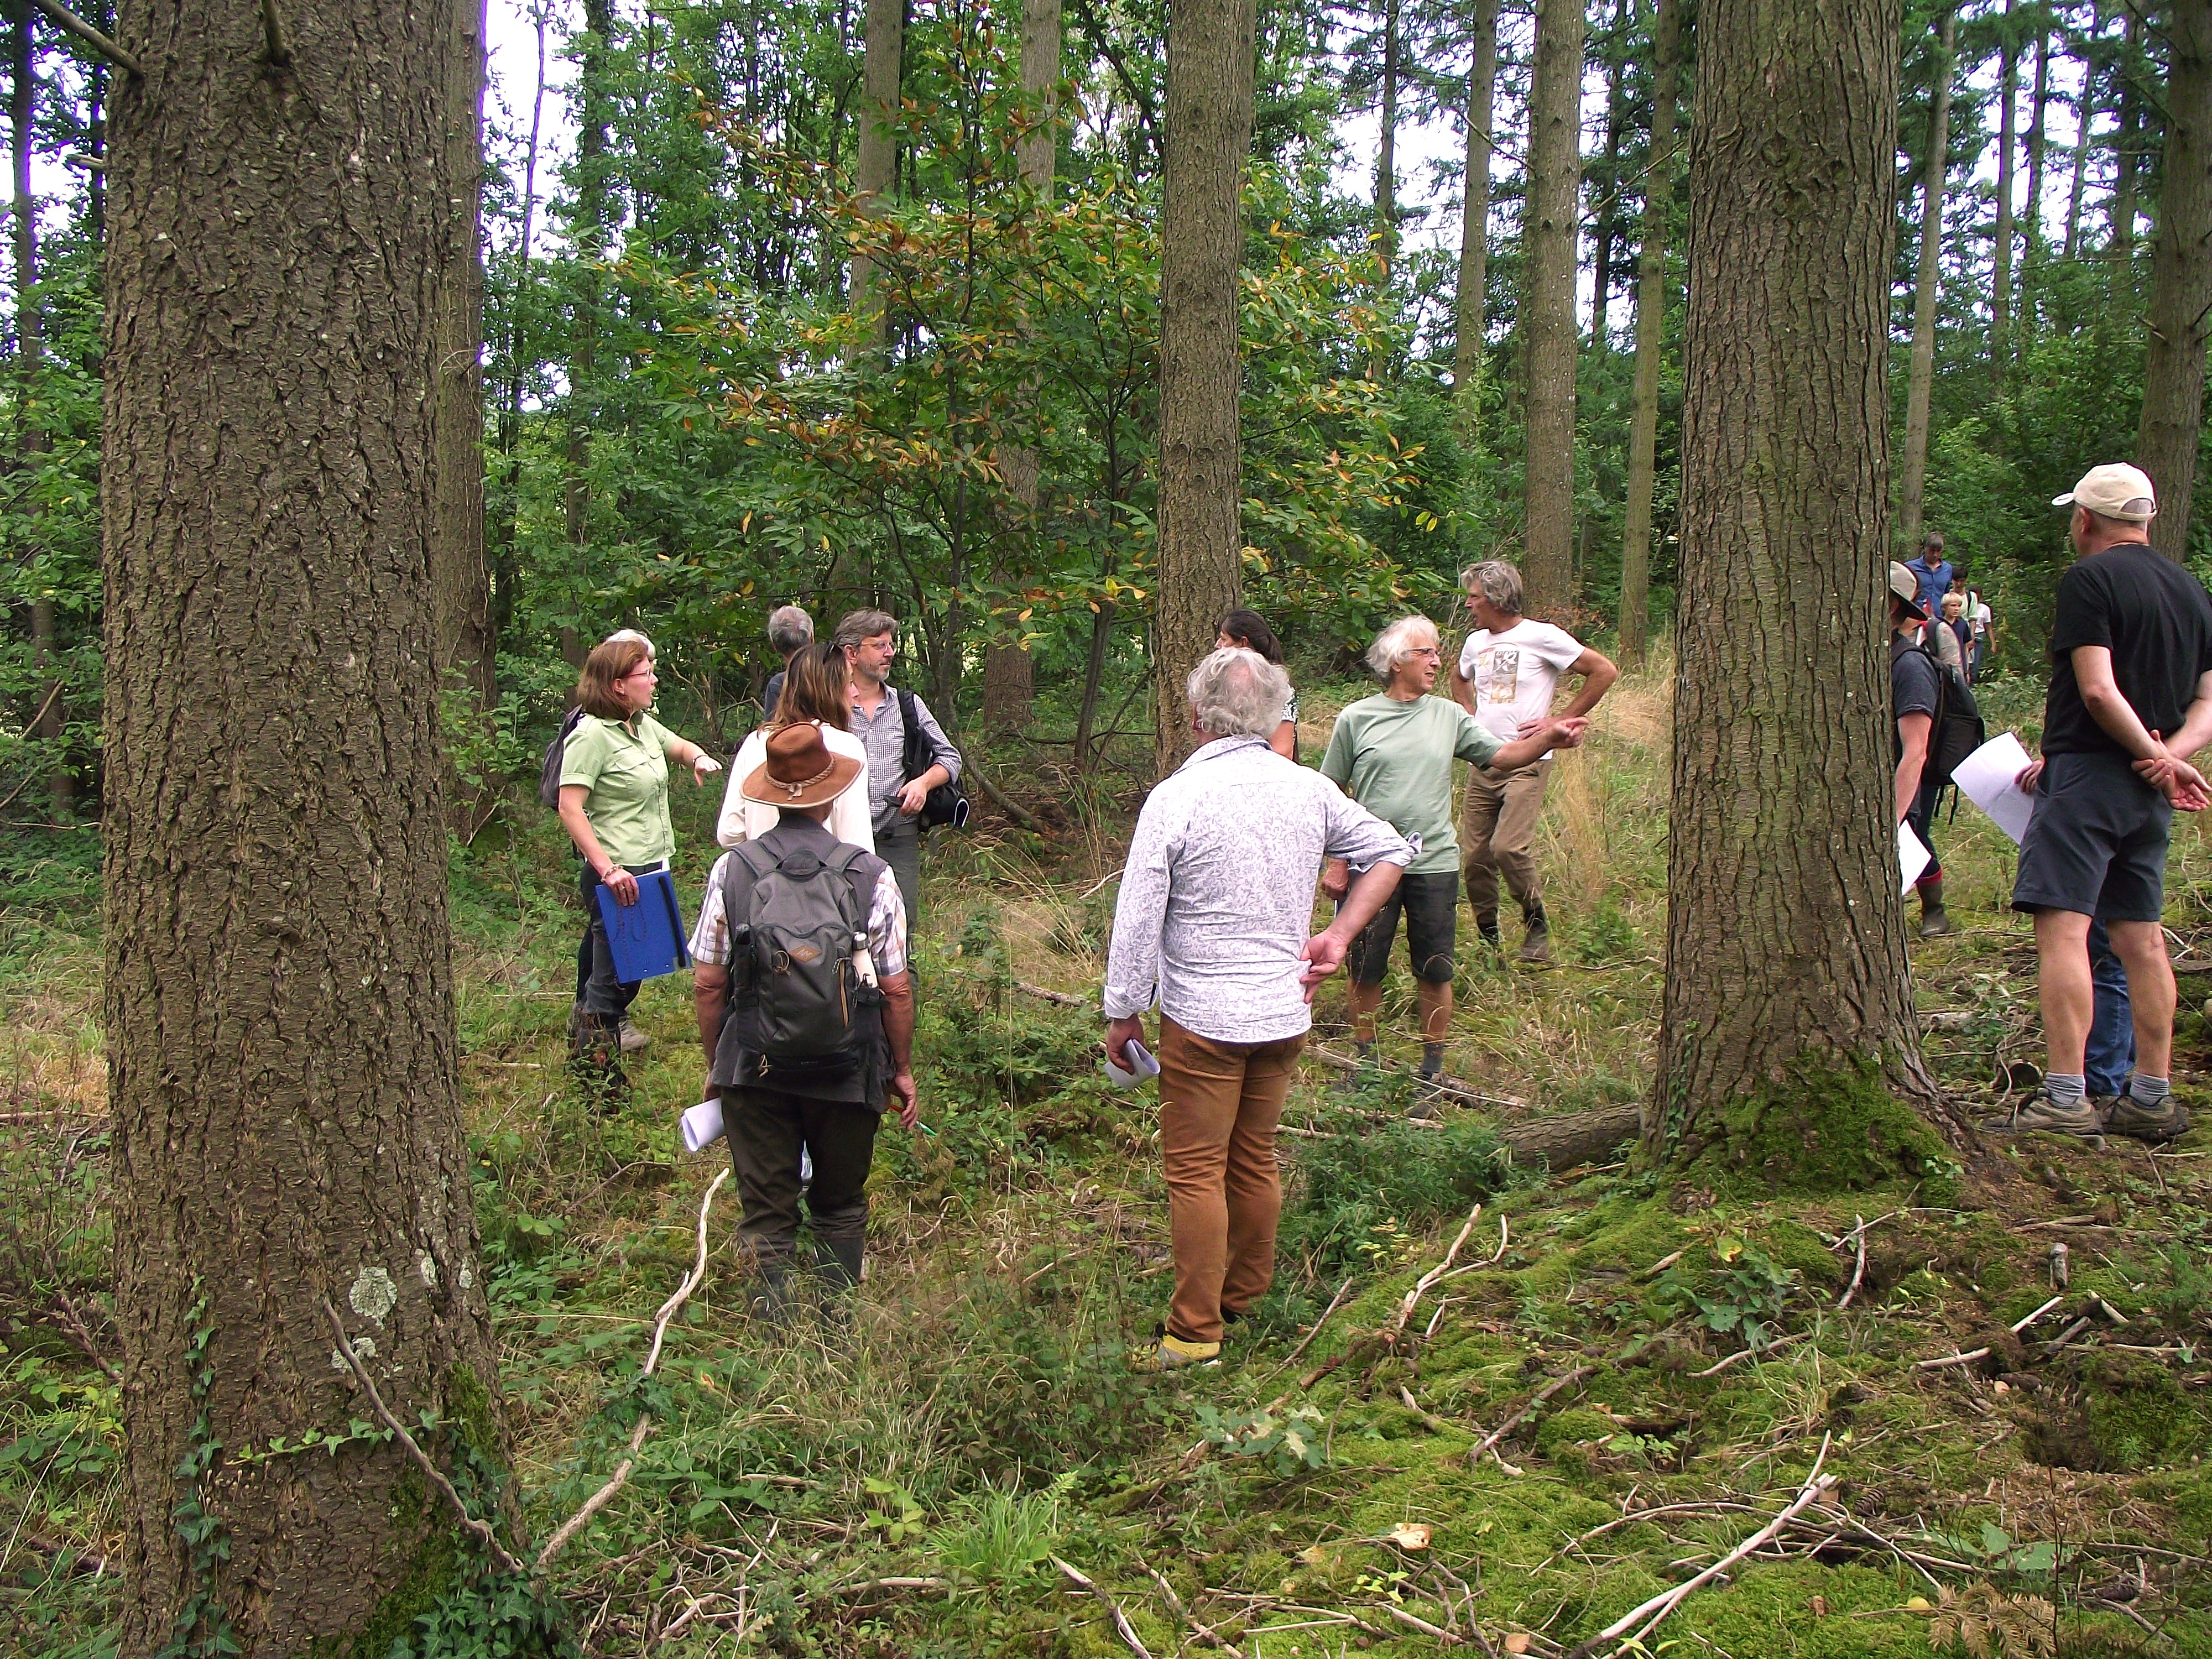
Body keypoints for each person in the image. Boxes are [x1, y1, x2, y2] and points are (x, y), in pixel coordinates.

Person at [1102, 648, 1415, 1369]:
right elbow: (1391, 850)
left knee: (1196, 1172)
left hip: (1204, 1019)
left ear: (1195, 716)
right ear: (1276, 715)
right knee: (1252, 1157)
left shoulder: (1177, 798)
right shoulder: (1308, 789)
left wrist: (1123, 1012)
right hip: (1282, 1013)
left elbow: (1138, 916)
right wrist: (1340, 935)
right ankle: (1244, 1296)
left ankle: (1193, 1334)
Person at [1999, 462, 2212, 1144]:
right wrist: (2168, 760)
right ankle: (2150, 1095)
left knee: (2064, 930)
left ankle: (2065, 1097)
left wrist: (2148, 755)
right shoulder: (2191, 591)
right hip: (2149, 793)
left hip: (2089, 779)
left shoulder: (2088, 580)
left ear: (2085, 519)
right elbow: (2207, 700)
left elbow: (2095, 689)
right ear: (2145, 519)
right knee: (2140, 938)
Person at [691, 723, 917, 1316]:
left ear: (768, 795)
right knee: (840, 1204)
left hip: (754, 1067)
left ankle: (773, 1330)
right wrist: (900, 1069)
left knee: (766, 1211)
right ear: (832, 795)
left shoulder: (732, 870)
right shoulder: (871, 873)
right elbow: (895, 988)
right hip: (848, 1068)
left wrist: (720, 1063)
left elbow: (709, 983)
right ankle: (836, 1325)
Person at [1321, 615, 1590, 1088]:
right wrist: (1338, 862)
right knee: (1365, 966)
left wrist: (1549, 737)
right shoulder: (1356, 718)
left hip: (1434, 863)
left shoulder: (1448, 716)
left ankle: (1432, 1069)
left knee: (1435, 967)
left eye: (1436, 652)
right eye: (1426, 653)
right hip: (1370, 863)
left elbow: (1503, 757)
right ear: (1397, 661)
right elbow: (1331, 794)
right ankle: (1366, 1065)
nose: (1437, 662)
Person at [557, 634, 724, 1097]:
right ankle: (596, 1086)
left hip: (650, 871)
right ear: (618, 685)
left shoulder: (641, 725)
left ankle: (592, 1058)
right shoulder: (592, 736)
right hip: (616, 878)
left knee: (630, 976)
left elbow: (678, 745)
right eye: (645, 675)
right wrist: (609, 870)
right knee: (611, 983)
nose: (653, 681)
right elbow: (570, 807)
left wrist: (698, 757)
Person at [1447, 560, 1617, 963]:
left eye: (1474, 597)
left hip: (1529, 759)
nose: (1468, 605)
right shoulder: (1475, 643)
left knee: (1507, 848)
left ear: (1496, 599)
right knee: (1475, 857)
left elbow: (1604, 671)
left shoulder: (1542, 636)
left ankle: (1535, 923)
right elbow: (1459, 677)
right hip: (1484, 760)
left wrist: (1560, 719)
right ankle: (1489, 939)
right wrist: (1468, 714)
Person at [836, 609, 962, 931]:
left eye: (890, 645)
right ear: (851, 653)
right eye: (879, 646)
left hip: (897, 837)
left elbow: (950, 757)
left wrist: (923, 784)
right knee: (843, 929)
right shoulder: (830, 706)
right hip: (840, 840)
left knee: (900, 929)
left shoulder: (907, 704)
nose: (890, 652)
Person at [717, 642, 874, 852]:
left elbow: (728, 834)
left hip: (761, 871)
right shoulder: (847, 747)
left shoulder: (757, 742)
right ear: (831, 691)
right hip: (827, 872)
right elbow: (858, 844)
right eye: (849, 681)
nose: (855, 692)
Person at [1890, 562, 1951, 938]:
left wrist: (1892, 817)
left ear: (1892, 607)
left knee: (1915, 839)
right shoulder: (1866, 660)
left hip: (1906, 782)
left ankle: (1935, 911)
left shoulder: (1910, 666)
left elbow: (1916, 750)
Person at [1215, 607, 1299, 759]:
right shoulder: (1224, 685)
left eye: (1224, 639)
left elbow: (1283, 751)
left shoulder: (1279, 690)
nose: (1218, 645)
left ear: (1243, 643)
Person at [760, 603, 813, 724]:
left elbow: (774, 730)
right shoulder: (834, 675)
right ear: (812, 639)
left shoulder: (778, 684)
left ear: (775, 646)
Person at [1908, 531, 1954, 618]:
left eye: (1938, 551)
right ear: (1925, 548)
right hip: (1916, 616)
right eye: (1932, 551)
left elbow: (1947, 593)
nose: (1935, 555)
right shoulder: (1911, 567)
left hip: (1939, 617)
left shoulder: (1948, 569)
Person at [1928, 592, 1966, 676]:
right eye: (1953, 606)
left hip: (1959, 663)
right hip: (1942, 663)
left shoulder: (1963, 624)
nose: (1956, 609)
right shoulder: (1938, 625)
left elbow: (1965, 646)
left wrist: (1966, 669)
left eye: (1959, 606)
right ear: (1944, 608)